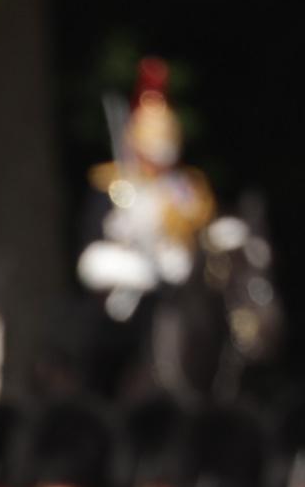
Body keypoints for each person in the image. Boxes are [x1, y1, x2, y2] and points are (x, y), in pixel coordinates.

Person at [78, 60, 218, 322]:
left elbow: (199, 230)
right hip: (130, 267)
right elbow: (94, 241)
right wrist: (119, 228)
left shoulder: (186, 186)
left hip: (170, 266)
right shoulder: (112, 183)